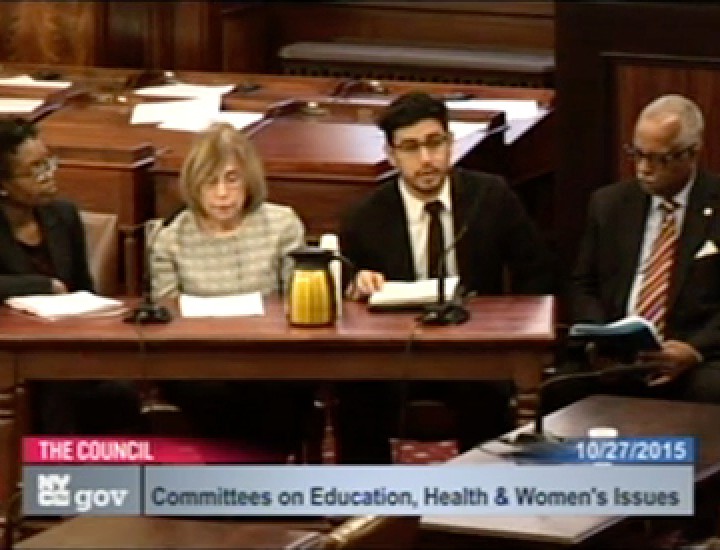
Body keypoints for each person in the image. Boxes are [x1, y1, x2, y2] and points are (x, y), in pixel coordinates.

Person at [337, 92, 554, 463]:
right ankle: (368, 509)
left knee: (487, 396)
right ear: (391, 155)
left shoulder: (491, 197)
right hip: (397, 353)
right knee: (357, 395)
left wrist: (511, 330)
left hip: (474, 351)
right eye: (410, 147)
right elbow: (345, 284)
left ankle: (481, 508)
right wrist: (356, 285)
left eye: (435, 143)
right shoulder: (366, 216)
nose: (426, 159)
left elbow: (537, 272)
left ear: (451, 143)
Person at [547, 94, 720, 410]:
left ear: (692, 153)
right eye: (638, 155)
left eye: (659, 159)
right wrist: (601, 341)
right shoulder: (609, 204)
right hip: (618, 356)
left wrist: (693, 350)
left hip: (695, 358)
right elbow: (583, 284)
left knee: (710, 391)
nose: (643, 169)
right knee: (558, 389)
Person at [151, 122, 312, 456]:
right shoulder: (171, 238)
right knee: (210, 392)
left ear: (248, 179)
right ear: (193, 186)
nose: (222, 193)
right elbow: (166, 316)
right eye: (210, 182)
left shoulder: (282, 225)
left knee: (279, 390)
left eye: (231, 179)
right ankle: (244, 488)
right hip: (198, 362)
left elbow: (297, 303)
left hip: (271, 357)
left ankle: (258, 491)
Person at [0, 117, 142, 434]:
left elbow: (84, 293)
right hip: (9, 360)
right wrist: (42, 286)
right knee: (55, 392)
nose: (49, 175)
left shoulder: (63, 215)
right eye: (35, 170)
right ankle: (48, 479)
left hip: (63, 351)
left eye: (48, 162)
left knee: (120, 394)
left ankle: (126, 480)